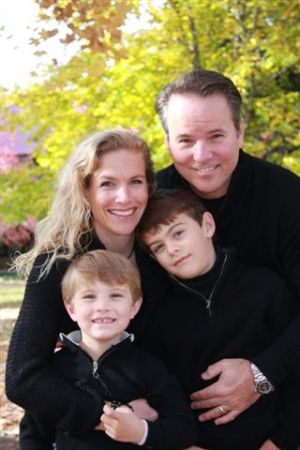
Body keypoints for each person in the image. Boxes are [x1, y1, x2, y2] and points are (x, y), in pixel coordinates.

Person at [5, 128, 171, 444]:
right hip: (64, 437)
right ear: (85, 190)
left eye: (135, 182)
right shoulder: (57, 264)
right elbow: (23, 378)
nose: (125, 197)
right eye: (108, 183)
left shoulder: (161, 259)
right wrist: (109, 414)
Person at [155, 69, 300, 427]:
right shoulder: (150, 204)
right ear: (168, 140)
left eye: (216, 135)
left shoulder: (287, 199)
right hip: (175, 414)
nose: (201, 155)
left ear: (240, 132)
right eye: (185, 140)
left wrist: (261, 374)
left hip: (286, 396)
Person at [136, 189, 300, 450]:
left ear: (207, 225)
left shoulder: (265, 288)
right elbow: (161, 393)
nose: (172, 249)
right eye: (159, 247)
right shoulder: (160, 317)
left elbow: (294, 371)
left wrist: (281, 441)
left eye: (178, 233)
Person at [24, 249, 198, 449]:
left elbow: (185, 428)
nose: (102, 306)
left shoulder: (148, 367)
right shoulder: (54, 370)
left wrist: (141, 432)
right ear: (71, 309)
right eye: (89, 296)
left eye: (115, 295)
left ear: (134, 307)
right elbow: (33, 434)